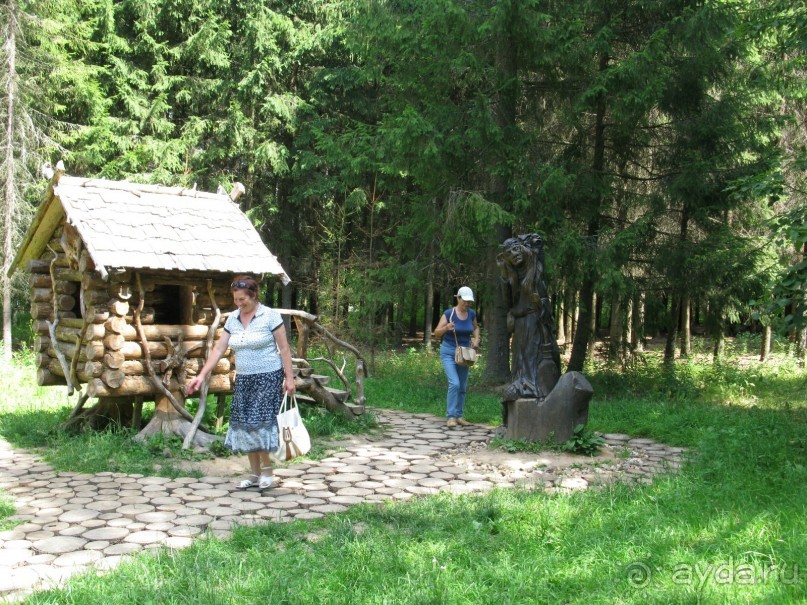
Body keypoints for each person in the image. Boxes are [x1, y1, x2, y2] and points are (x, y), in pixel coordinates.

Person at [187, 275, 296, 490]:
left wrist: (289, 378)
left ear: (254, 296)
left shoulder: (270, 316)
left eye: (242, 300)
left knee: (258, 423)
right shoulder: (233, 319)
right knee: (244, 425)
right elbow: (219, 349)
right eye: (236, 300)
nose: (239, 304)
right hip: (244, 380)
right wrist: (201, 375)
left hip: (268, 377)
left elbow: (284, 349)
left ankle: (267, 472)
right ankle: (254, 474)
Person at [433, 286, 481, 428]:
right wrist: (446, 328)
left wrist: (476, 339)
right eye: (465, 301)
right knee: (455, 383)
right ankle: (451, 417)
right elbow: (436, 332)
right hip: (448, 351)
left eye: (469, 302)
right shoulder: (449, 313)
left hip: (465, 354)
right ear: (458, 298)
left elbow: (476, 328)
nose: (467, 304)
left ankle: (459, 415)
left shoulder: (471, 314)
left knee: (463, 385)